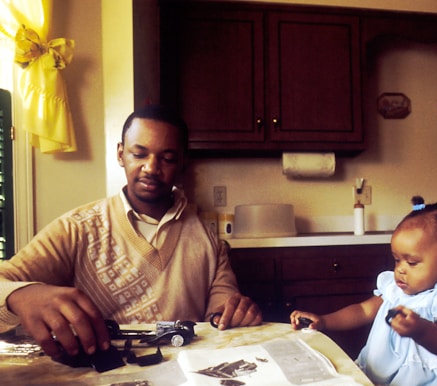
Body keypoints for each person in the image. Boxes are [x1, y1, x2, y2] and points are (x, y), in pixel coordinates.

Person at [0, 104, 262, 362]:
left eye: (167, 158)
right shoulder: (77, 229)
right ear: (120, 154)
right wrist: (20, 294)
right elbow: (4, 280)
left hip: (185, 376)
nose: (151, 167)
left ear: (182, 163)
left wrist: (232, 314)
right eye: (139, 155)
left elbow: (222, 311)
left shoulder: (208, 239)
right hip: (100, 378)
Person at [291, 197, 437, 386]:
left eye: (412, 263)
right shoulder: (394, 289)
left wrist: (421, 330)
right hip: (381, 382)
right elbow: (362, 310)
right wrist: (323, 321)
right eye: (397, 260)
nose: (400, 270)